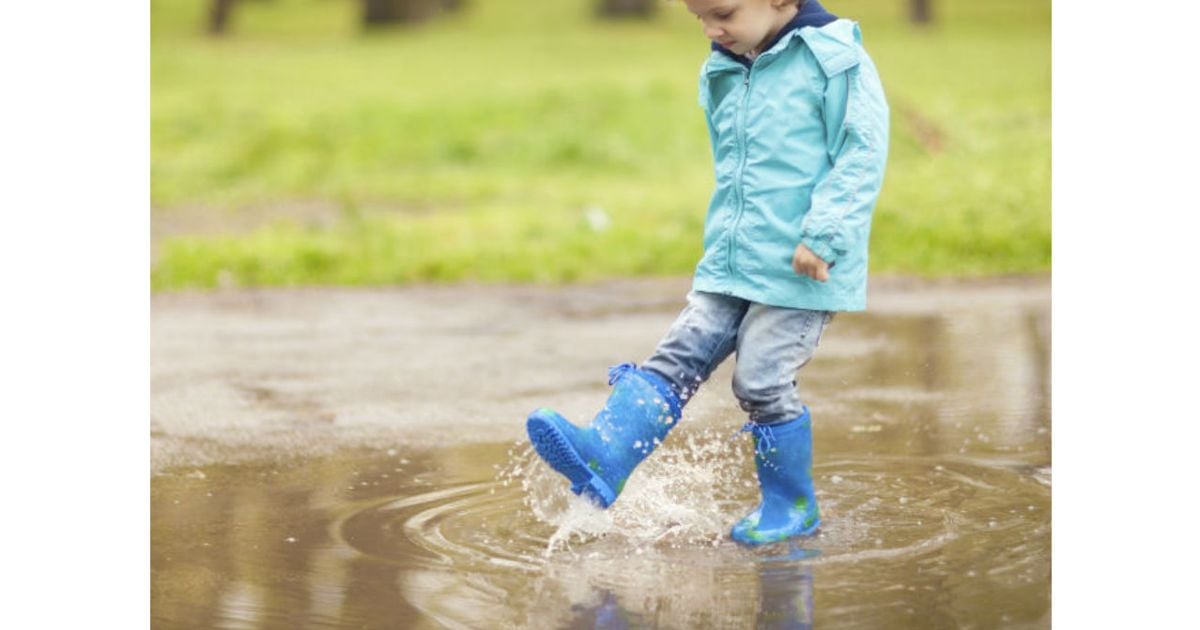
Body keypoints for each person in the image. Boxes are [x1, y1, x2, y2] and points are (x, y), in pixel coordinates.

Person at [526, 0, 889, 545]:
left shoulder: (833, 58)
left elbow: (861, 152)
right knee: (676, 356)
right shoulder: (727, 63)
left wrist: (826, 236)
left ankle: (791, 505)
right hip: (732, 260)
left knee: (761, 380)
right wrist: (726, 242)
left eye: (722, 13)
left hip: (803, 264)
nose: (710, 30)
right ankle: (605, 455)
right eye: (698, 17)